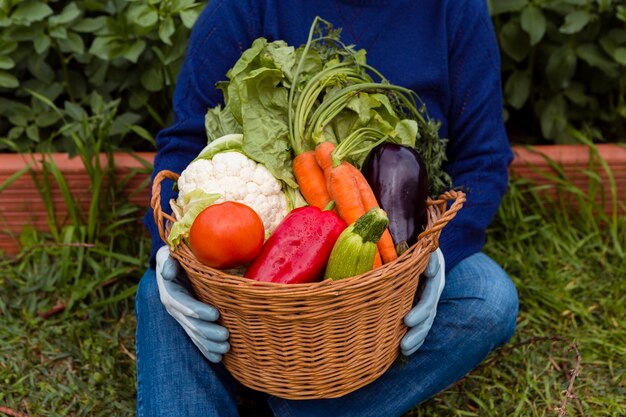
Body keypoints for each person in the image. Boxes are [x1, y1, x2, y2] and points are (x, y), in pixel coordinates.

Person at [136, 0, 519, 416]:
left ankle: (303, 407)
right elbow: (184, 144)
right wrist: (166, 250)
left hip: (389, 276)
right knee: (160, 296)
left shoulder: (454, 9)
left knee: (488, 297)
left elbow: (483, 162)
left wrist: (435, 255)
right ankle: (265, 379)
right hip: (242, 284)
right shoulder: (244, 8)